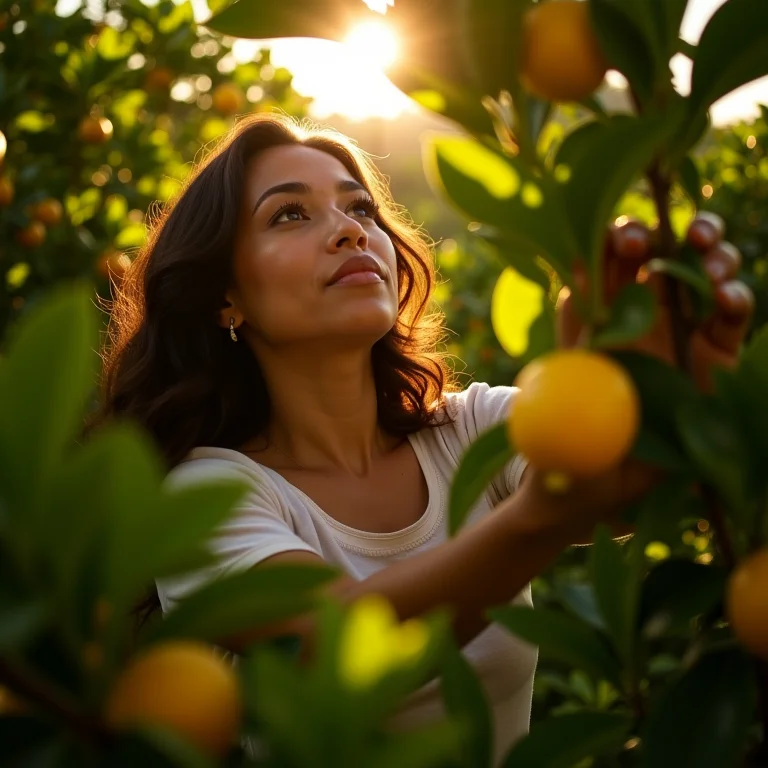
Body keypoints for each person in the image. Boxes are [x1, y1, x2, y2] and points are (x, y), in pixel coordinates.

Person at [94, 113, 754, 764]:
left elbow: (627, 490)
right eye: (290, 214)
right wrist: (545, 510)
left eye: (361, 208)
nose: (351, 230)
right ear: (225, 297)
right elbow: (339, 644)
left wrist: (676, 400)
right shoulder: (204, 498)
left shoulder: (470, 430)